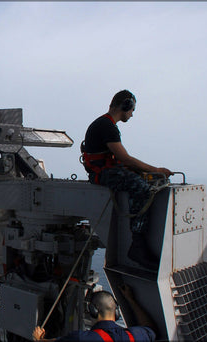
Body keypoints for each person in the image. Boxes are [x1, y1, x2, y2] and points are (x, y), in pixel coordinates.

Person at [80, 90, 173, 270]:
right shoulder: (107, 126)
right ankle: (137, 246)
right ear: (126, 105)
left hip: (105, 171)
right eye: (132, 109)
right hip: (103, 174)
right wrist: (157, 170)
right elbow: (125, 158)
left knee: (142, 178)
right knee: (142, 189)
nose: (132, 114)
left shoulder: (105, 124)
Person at [33, 285, 156, 342]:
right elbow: (149, 328)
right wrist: (130, 299)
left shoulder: (82, 338)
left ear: (93, 310)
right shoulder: (134, 336)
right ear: (117, 312)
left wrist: (39, 339)